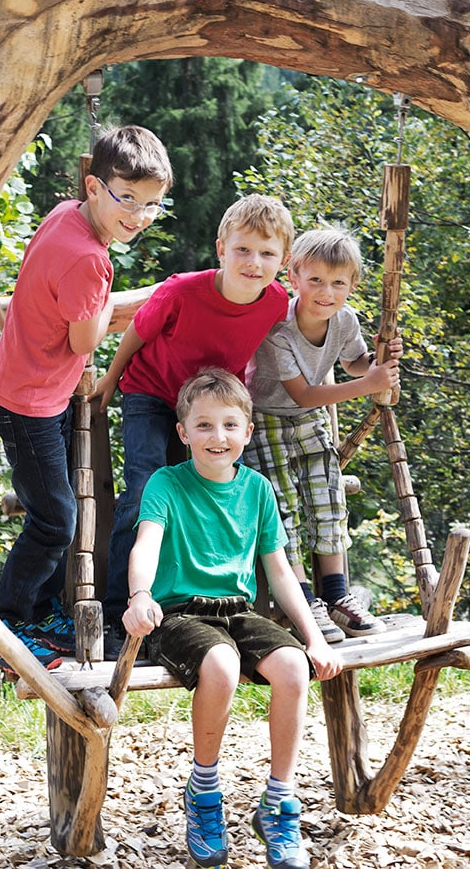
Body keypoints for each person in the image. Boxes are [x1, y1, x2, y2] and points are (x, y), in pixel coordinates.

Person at [122, 368, 342, 869]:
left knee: (292, 668)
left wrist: (314, 639)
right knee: (220, 666)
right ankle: (203, 792)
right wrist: (139, 595)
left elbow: (281, 573)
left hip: (239, 611)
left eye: (228, 425)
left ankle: (279, 802)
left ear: (246, 431)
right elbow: (147, 543)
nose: (216, 437)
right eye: (203, 426)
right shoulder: (166, 483)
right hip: (178, 613)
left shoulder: (258, 490)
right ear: (183, 433)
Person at [0, 125, 173, 674]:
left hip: (33, 387)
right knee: (54, 521)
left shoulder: (65, 216)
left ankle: (37, 618)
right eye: (125, 198)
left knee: (52, 511)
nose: (138, 214)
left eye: (153, 203)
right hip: (28, 401)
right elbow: (84, 340)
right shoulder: (91, 260)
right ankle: (1, 627)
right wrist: (149, 298)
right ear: (93, 186)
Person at [95, 194, 294, 655]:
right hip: (152, 394)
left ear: (283, 262)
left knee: (205, 494)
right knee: (145, 492)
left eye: (267, 254)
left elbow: (311, 327)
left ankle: (197, 604)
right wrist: (110, 379)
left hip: (210, 414)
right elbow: (137, 333)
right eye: (243, 250)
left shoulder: (276, 301)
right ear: (221, 248)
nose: (253, 262)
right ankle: (116, 615)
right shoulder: (182, 290)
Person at [245, 228, 402, 644]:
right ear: (293, 277)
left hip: (310, 422)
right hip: (269, 420)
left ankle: (336, 595)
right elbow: (304, 393)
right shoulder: (280, 329)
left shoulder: (345, 320)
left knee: (327, 499)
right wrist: (370, 383)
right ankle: (302, 598)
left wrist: (377, 360)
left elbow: (354, 364)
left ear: (352, 286)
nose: (326, 292)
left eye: (338, 282)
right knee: (285, 507)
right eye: (315, 280)